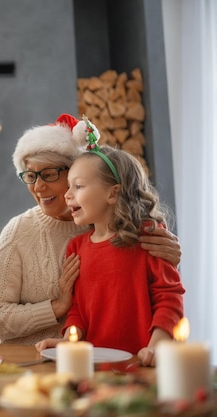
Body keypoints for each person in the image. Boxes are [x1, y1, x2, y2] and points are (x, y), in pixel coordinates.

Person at [0, 114, 182, 345]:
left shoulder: (119, 228)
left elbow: (163, 292)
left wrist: (172, 255)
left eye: (50, 174)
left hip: (106, 361)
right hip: (36, 360)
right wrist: (56, 308)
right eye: (31, 176)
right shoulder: (20, 230)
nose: (38, 186)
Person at [35, 120, 185, 367]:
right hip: (93, 368)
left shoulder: (149, 237)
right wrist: (70, 340)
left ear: (112, 193)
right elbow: (79, 310)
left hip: (143, 365)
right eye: (69, 186)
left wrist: (157, 345)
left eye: (79, 186)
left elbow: (169, 297)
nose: (67, 195)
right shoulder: (76, 248)